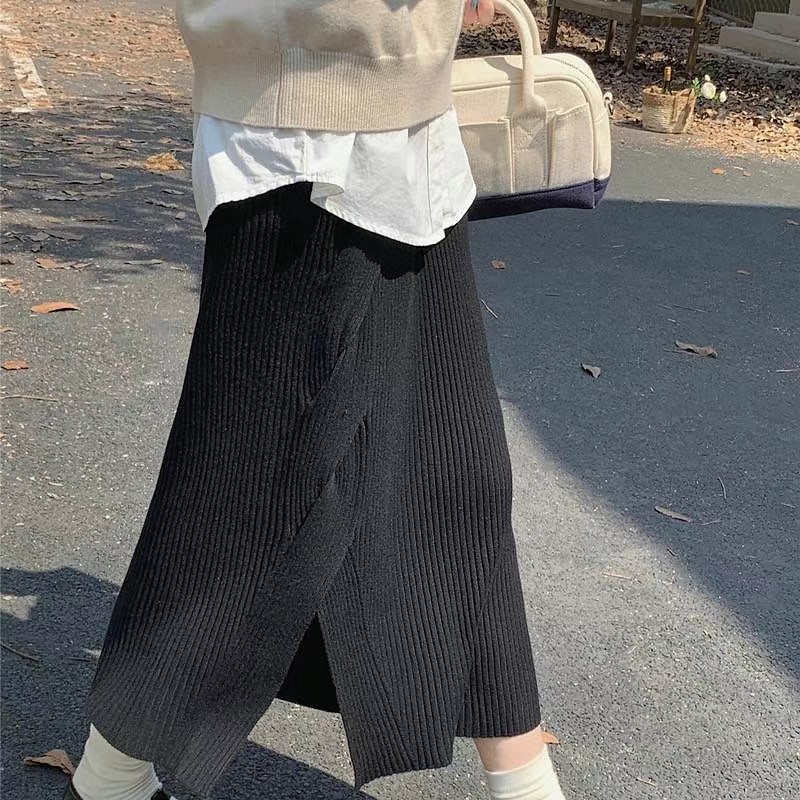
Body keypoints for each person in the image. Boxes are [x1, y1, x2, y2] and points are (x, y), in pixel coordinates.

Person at [66, 1, 568, 799]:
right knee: (252, 487)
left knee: (446, 463)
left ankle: (521, 771)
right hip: (318, 134)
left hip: (390, 118)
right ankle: (112, 768)